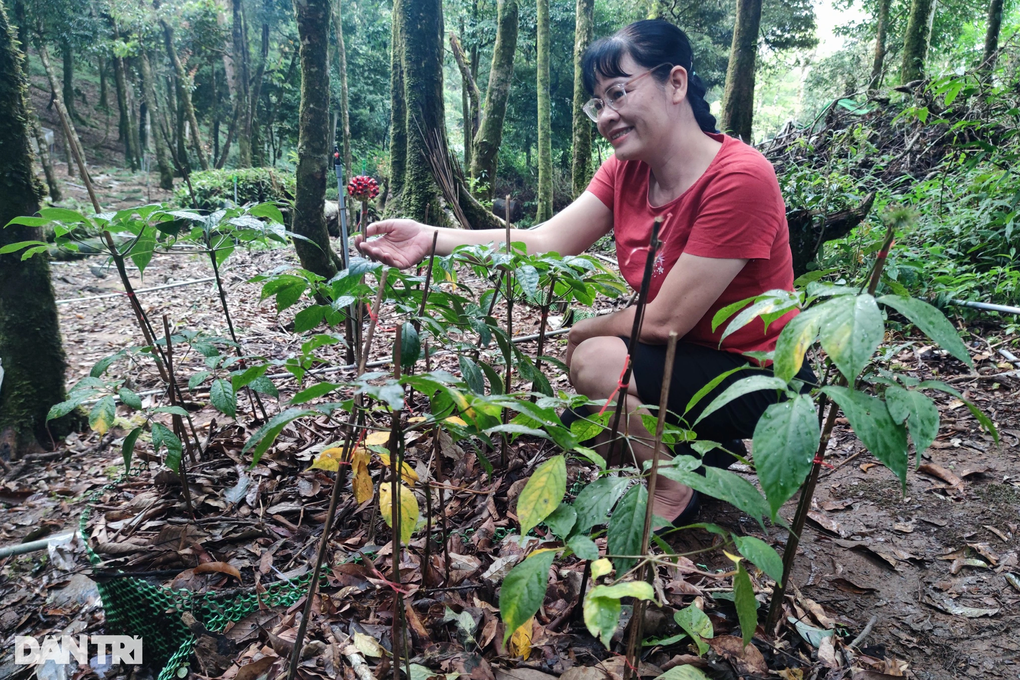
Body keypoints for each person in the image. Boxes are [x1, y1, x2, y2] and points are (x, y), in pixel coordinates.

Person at [356, 19, 814, 528]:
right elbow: (545, 240)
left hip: (759, 372)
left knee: (597, 362)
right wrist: (430, 238)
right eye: (598, 103)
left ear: (676, 83)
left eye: (619, 92)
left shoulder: (739, 176)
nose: (606, 115)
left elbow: (665, 321)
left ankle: (675, 491)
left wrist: (585, 330)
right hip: (684, 359)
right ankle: (707, 454)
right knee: (595, 427)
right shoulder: (626, 170)